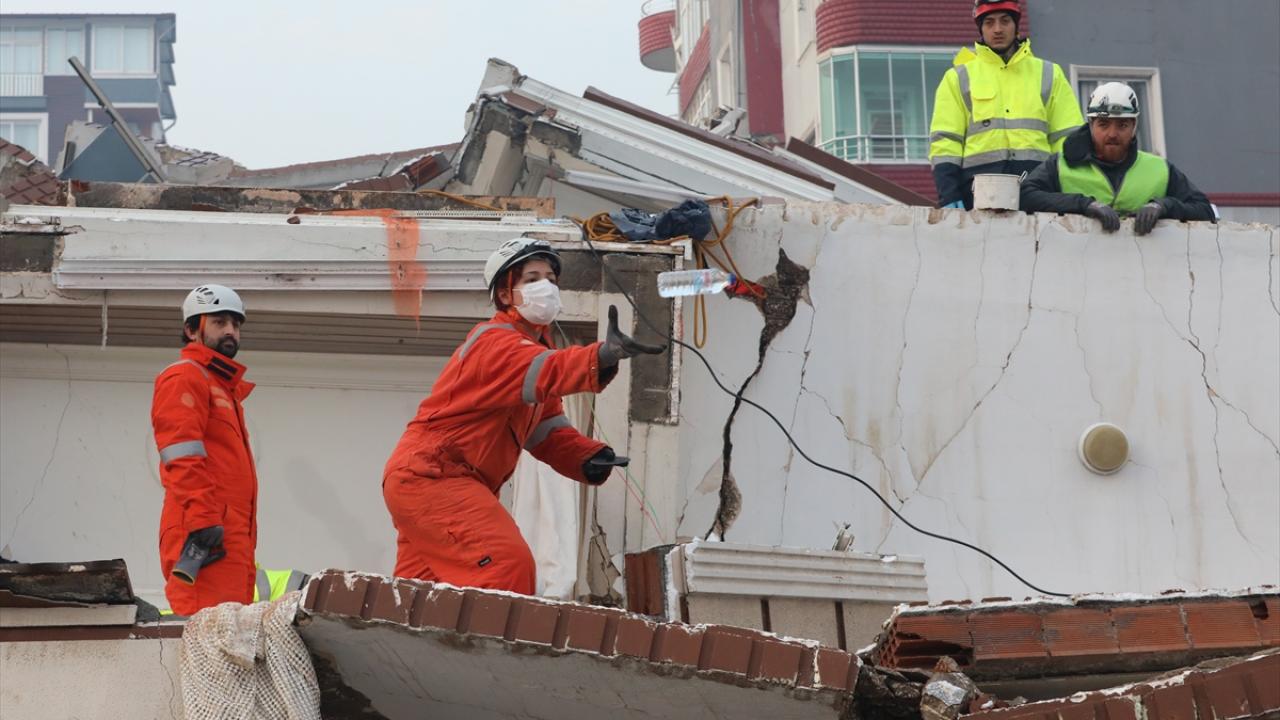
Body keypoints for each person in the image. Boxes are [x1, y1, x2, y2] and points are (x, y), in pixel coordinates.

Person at [382, 237, 666, 594]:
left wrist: (587, 457)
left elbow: (546, 430)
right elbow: (548, 370)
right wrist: (602, 355)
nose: (545, 286)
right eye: (531, 279)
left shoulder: (532, 350)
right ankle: (491, 652)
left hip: (430, 480)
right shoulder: (494, 341)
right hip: (434, 476)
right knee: (506, 567)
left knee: (414, 598)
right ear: (505, 295)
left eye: (550, 277)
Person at [151, 284, 258, 616]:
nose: (230, 331)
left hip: (227, 538)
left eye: (235, 324)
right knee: (206, 636)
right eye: (219, 322)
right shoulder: (185, 377)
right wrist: (204, 521)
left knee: (226, 637)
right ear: (190, 329)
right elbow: (180, 455)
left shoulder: (223, 389)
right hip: (204, 538)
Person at [929, 0, 1083, 209]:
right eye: (989, 22)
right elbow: (946, 141)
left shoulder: (1049, 74)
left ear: (1016, 25)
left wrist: (1071, 193)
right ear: (980, 28)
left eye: (1005, 21)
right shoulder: (958, 78)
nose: (998, 29)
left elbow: (1067, 139)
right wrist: (948, 194)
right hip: (977, 194)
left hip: (1039, 190)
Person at [1020, 81, 1215, 234]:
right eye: (1104, 124)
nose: (1112, 134)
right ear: (1090, 124)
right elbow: (1025, 196)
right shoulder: (1061, 165)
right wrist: (1084, 205)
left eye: (1122, 125)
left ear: (1134, 127)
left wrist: (1162, 206)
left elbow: (1204, 210)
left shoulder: (1160, 169)